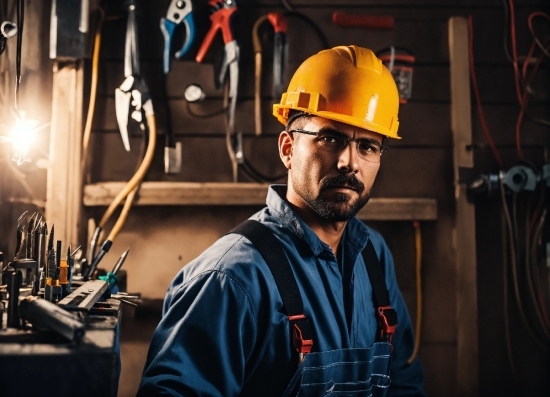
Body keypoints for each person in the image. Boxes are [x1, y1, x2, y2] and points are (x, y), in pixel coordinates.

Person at [137, 45, 426, 396]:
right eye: (330, 138)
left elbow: (403, 382)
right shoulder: (232, 276)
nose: (350, 162)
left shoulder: (373, 257)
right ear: (288, 149)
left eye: (367, 146)